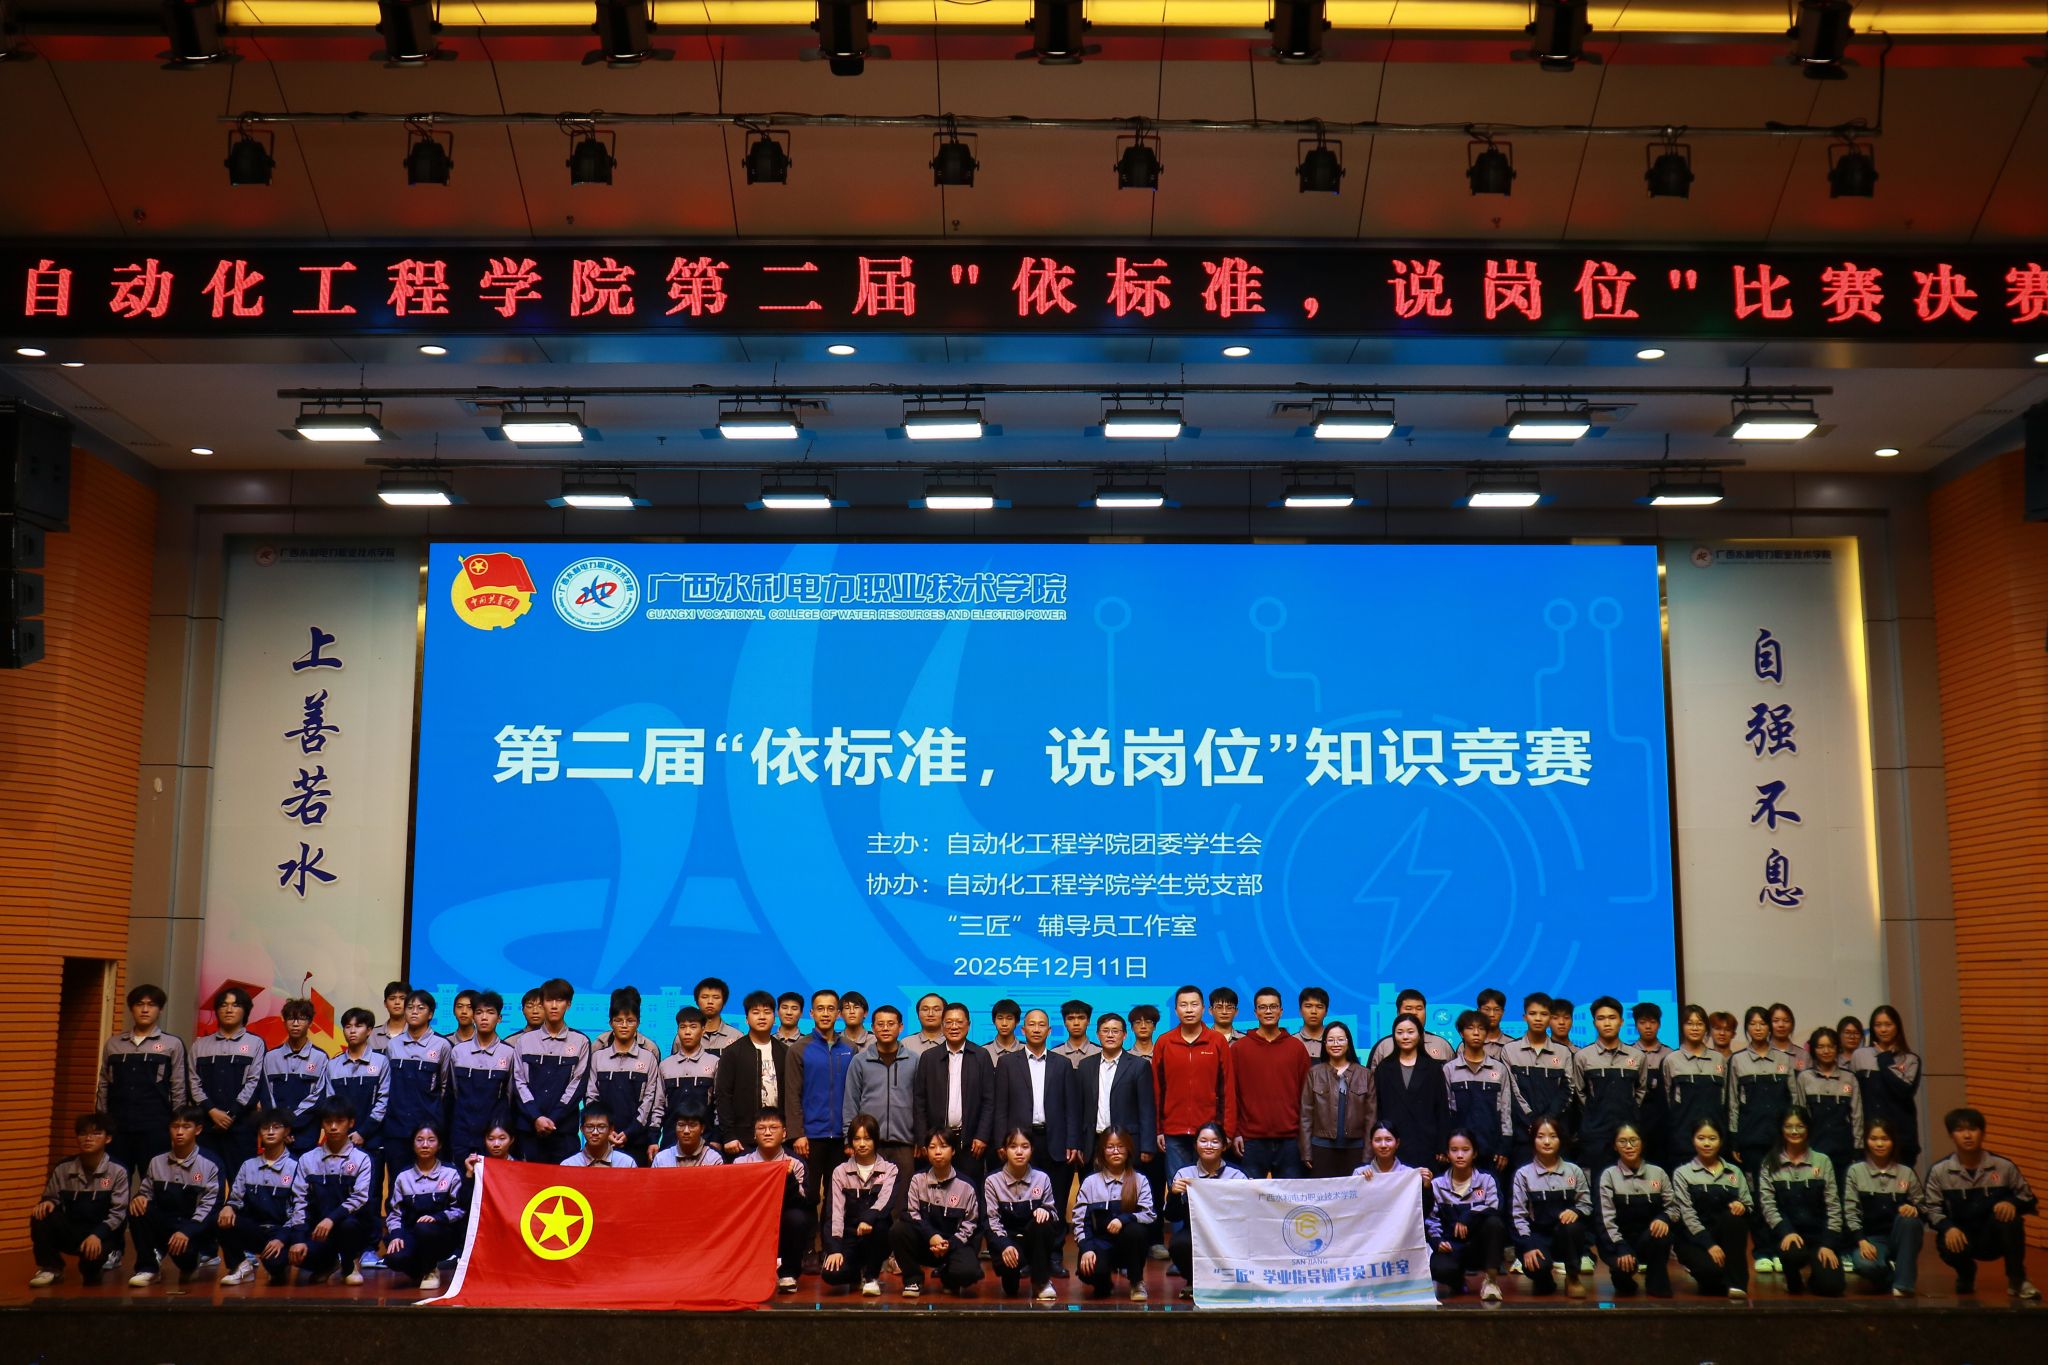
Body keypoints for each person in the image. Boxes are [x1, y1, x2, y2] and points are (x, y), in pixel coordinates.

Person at [992, 1007, 1078, 1269]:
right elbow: (1000, 1107)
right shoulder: (1008, 1063)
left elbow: (1071, 1107)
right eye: (1032, 1024)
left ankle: (1054, 1256)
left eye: (1042, 1025)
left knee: (1056, 1200)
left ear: (1049, 1031)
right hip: (1020, 1143)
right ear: (1023, 1029)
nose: (1037, 1029)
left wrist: (1072, 1141)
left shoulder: (1062, 1064)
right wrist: (1002, 1142)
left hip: (1055, 1142)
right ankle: (1028, 1256)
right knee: (1023, 1201)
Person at [1923, 1106, 2039, 1299]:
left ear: (1983, 1133)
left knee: (2012, 1221)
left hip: (1993, 1236)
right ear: (1951, 1135)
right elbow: (1931, 1209)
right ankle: (1966, 1274)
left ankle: (2018, 1280)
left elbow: (2028, 1198)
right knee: (1946, 1242)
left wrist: (2012, 1203)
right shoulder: (1939, 1171)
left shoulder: (2004, 1166)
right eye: (1960, 1130)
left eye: (1973, 1129)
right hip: (1961, 1235)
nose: (1967, 1135)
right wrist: (1948, 1228)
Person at [1728, 1004, 1798, 1271]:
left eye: (1762, 1023)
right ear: (1747, 1028)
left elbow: (1794, 1100)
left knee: (1781, 1194)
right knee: (1757, 1196)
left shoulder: (1784, 1059)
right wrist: (1734, 1138)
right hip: (1751, 1138)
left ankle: (1782, 1248)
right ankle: (1762, 1252)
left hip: (1781, 1139)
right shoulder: (1738, 1060)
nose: (1758, 1028)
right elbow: (1733, 1103)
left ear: (1769, 1027)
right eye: (1753, 1024)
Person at [98, 983, 190, 1179]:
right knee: (114, 1179)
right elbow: (104, 1084)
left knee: (154, 1180)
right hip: (118, 1126)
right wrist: (103, 1122)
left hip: (156, 1127)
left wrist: (177, 1126)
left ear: (160, 1009)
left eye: (151, 1004)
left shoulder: (172, 1044)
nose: (145, 1009)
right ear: (131, 1008)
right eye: (139, 1004)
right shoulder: (113, 1044)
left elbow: (179, 1087)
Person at [28, 1112, 129, 1289]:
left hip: (102, 1233)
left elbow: (118, 1213)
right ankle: (51, 1267)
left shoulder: (117, 1171)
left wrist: (97, 1235)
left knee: (90, 1274)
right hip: (73, 1230)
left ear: (108, 1139)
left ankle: (96, 1265)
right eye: (83, 1133)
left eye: (96, 1134)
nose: (88, 1138)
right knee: (41, 1214)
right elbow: (51, 1196)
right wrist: (49, 1202)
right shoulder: (63, 1168)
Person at [125, 1105, 222, 1287]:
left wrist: (188, 1231)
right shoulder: (156, 1161)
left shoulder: (210, 1163)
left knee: (185, 1260)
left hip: (192, 1229)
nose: (179, 1132)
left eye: (186, 1127)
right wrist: (140, 1196)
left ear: (198, 1130)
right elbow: (146, 1191)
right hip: (165, 1222)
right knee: (137, 1208)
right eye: (175, 1126)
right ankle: (148, 1268)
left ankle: (193, 1261)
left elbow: (211, 1207)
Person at [1757, 1106, 1846, 1296]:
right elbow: (1768, 1206)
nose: (1794, 1131)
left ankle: (1815, 1278)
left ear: (1808, 1128)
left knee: (1832, 1287)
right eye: (1788, 1126)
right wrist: (1785, 1232)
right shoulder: (1769, 1163)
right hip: (1788, 1235)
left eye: (1800, 1126)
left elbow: (1833, 1207)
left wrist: (1828, 1243)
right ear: (1781, 1129)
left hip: (1818, 1235)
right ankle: (1793, 1281)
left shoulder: (1823, 1161)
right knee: (1792, 1253)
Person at [285, 1099, 376, 1285]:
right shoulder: (307, 1159)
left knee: (348, 1225)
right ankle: (329, 1264)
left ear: (351, 1123)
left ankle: (349, 1265)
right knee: (291, 1253)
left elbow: (360, 1198)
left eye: (340, 1121)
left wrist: (331, 1219)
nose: (333, 1127)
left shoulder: (362, 1159)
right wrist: (298, 1238)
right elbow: (299, 1201)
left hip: (352, 1227)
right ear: (322, 1124)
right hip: (319, 1231)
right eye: (328, 1122)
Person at [1154, 985, 1235, 1183]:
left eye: (1194, 1004)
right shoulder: (1164, 1042)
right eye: (1183, 1005)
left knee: (1209, 1189)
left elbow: (1227, 1088)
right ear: (1176, 1010)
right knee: (1178, 1187)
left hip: (1210, 1131)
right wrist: (1158, 1129)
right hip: (1174, 1131)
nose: (1189, 1010)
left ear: (1204, 1008)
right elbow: (1157, 1090)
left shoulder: (1217, 1041)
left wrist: (1227, 1130)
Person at [913, 1001, 997, 1187]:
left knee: (970, 1190)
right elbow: (919, 1101)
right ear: (942, 1026)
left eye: (959, 1022)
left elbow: (989, 1101)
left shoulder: (981, 1056)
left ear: (968, 1025)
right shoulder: (929, 1057)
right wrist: (923, 1139)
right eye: (949, 1022)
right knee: (936, 1190)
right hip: (937, 1142)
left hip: (970, 1143)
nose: (954, 1026)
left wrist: (982, 1136)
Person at [890, 1127, 982, 1297]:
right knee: (899, 1230)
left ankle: (949, 1276)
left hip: (953, 1246)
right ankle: (913, 1280)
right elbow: (910, 1213)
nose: (938, 1152)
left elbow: (971, 1224)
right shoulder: (917, 1180)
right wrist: (931, 1236)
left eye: (943, 1146)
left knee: (969, 1272)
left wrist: (949, 1244)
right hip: (925, 1243)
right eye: (932, 1147)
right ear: (926, 1151)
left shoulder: (967, 1186)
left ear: (953, 1151)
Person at [384, 990, 454, 1211]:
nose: (414, 1012)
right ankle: (397, 1226)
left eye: (420, 1008)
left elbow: (445, 1086)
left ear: (430, 1014)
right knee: (397, 1179)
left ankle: (429, 1223)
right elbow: (387, 1085)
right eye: (410, 1007)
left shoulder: (442, 1045)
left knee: (430, 1182)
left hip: (428, 1126)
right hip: (397, 1125)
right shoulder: (393, 1045)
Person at [842, 1004, 917, 1210]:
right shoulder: (860, 1061)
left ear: (901, 1027)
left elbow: (920, 1103)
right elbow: (851, 1102)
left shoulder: (914, 1060)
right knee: (869, 1201)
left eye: (891, 1024)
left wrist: (920, 1138)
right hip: (869, 1143)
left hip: (904, 1143)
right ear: (873, 1028)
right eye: (880, 1024)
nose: (885, 1028)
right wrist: (849, 1139)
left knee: (902, 1203)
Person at [713, 990, 804, 1158]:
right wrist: (729, 1135)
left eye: (767, 1012)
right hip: (742, 1139)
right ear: (746, 1019)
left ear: (774, 1018)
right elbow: (723, 1095)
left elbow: (794, 1095)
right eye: (755, 1012)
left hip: (780, 1137)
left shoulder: (785, 1052)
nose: (762, 1017)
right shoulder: (733, 1052)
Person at [1233, 986, 1312, 1178]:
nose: (1268, 1011)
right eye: (1263, 1007)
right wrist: (1235, 1132)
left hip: (1290, 1140)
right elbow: (1232, 1094)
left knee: (1290, 1196)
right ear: (1255, 1012)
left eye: (1273, 1007)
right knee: (1251, 1195)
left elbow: (1307, 1097)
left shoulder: (1296, 1048)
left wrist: (1305, 1137)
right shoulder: (1239, 1048)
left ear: (1281, 1011)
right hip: (1251, 1140)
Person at [1669, 1116, 1752, 1298]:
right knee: (1712, 1274)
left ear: (1720, 1141)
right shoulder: (1683, 1173)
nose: (1707, 1143)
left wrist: (1742, 1206)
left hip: (1726, 1239)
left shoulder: (1734, 1171)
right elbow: (1687, 1215)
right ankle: (1709, 1274)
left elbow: (1749, 1203)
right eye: (1701, 1138)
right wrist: (1709, 1244)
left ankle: (1738, 1285)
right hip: (1694, 1240)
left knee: (1735, 1218)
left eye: (1712, 1138)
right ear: (1693, 1140)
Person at [1510, 1114, 1591, 1298]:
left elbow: (1586, 1204)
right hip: (1537, 1237)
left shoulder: (1574, 1171)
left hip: (1565, 1236)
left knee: (1573, 1227)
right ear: (1533, 1140)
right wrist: (1528, 1245)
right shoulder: (1523, 1174)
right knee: (1538, 1273)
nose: (1547, 1142)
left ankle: (1573, 1277)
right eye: (1541, 1136)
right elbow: (1518, 1215)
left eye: (1553, 1136)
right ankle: (1544, 1279)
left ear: (1560, 1140)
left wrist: (1576, 1211)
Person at [192, 986, 266, 1186]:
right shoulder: (200, 1045)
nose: (229, 1009)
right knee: (205, 1184)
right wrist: (211, 1111)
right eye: (223, 1005)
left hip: (241, 1127)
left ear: (245, 1010)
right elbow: (193, 1082)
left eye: (235, 1005)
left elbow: (254, 1082)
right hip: (207, 1127)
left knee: (241, 1185)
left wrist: (231, 1114)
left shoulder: (256, 1044)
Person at [512, 978, 590, 1164]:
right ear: (542, 1004)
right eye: (549, 1000)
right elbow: (518, 1082)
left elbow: (577, 1086)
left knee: (564, 1181)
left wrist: (553, 1119)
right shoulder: (524, 1041)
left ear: (568, 1004)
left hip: (564, 1132)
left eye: (560, 1000)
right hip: (529, 1130)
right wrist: (536, 1117)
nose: (554, 1006)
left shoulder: (580, 1042)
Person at [1843, 1117, 1924, 1297]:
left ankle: (1903, 1285)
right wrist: (1861, 1240)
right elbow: (1850, 1211)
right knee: (1864, 1264)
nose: (1879, 1144)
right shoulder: (1855, 1171)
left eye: (1885, 1139)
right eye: (1874, 1139)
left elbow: (1923, 1207)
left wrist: (1915, 1209)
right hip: (1872, 1239)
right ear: (1866, 1141)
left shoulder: (1906, 1173)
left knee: (1910, 1221)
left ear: (1893, 1142)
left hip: (1900, 1236)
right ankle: (1892, 1273)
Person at [734, 1109, 813, 1291]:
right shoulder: (741, 1162)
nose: (767, 1133)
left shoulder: (796, 1163)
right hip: (752, 1217)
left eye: (773, 1128)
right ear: (754, 1134)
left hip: (783, 1216)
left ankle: (788, 1274)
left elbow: (803, 1202)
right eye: (761, 1128)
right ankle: (744, 1272)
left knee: (798, 1219)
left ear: (784, 1133)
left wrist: (789, 1178)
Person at [217, 1109, 298, 1286]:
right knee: (222, 1217)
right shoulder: (248, 1165)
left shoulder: (296, 1167)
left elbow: (299, 1212)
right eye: (265, 1128)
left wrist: (281, 1238)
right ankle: (240, 1266)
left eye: (276, 1127)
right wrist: (229, 1206)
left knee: (275, 1267)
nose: (270, 1132)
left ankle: (280, 1265)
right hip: (255, 1229)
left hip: (280, 1232)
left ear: (286, 1131)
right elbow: (235, 1198)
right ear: (259, 1132)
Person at [1164, 1121, 1245, 1295]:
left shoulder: (1237, 1175)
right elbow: (1172, 1215)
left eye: (1215, 1141)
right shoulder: (1184, 1174)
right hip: (1195, 1231)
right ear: (1195, 1145)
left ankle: (1231, 1282)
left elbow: (1246, 1212)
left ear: (1224, 1146)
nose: (1209, 1146)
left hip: (1229, 1232)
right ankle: (1193, 1281)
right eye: (1203, 1141)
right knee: (1179, 1244)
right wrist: (1174, 1195)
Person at [1074, 1126, 1155, 1300]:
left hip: (1128, 1247)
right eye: (1110, 1147)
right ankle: (1104, 1283)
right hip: (1100, 1245)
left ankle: (1136, 1282)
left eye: (1120, 1146)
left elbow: (1149, 1215)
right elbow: (1080, 1221)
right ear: (1102, 1151)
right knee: (1091, 1273)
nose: (1116, 1151)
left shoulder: (1140, 1180)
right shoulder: (1090, 1182)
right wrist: (1086, 1248)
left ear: (1128, 1149)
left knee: (1137, 1231)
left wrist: (1124, 1219)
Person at [1594, 1121, 1674, 1298]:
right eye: (1622, 1141)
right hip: (1618, 1242)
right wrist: (1620, 1247)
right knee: (1624, 1283)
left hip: (1647, 1238)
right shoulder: (1608, 1175)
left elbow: (1673, 1207)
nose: (1629, 1146)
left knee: (1663, 1232)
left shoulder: (1658, 1173)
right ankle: (1621, 1276)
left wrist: (1664, 1218)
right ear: (1615, 1146)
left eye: (1634, 1140)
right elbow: (1605, 1219)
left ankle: (1656, 1283)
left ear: (1642, 1142)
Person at [381, 1124, 465, 1291]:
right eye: (419, 1140)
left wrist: (437, 1218)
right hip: (413, 1233)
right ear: (413, 1144)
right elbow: (394, 1213)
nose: (425, 1145)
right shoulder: (403, 1176)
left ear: (439, 1145)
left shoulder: (451, 1173)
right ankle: (421, 1270)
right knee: (394, 1258)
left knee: (424, 1228)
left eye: (431, 1140)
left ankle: (431, 1270)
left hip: (443, 1234)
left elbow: (460, 1209)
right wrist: (396, 1234)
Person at [1500, 993, 1576, 1173]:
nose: (1538, 1018)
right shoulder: (1509, 1050)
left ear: (1550, 1018)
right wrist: (1533, 1122)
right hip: (1523, 1135)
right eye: (1533, 1014)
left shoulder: (1563, 1052)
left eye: (1544, 1014)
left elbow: (1568, 1089)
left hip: (1556, 1134)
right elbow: (1511, 1092)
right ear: (1524, 1017)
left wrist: (1548, 1121)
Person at [821, 1113, 894, 1295]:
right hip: (850, 1235)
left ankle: (871, 1277)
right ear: (851, 1142)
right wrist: (834, 1248)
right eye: (857, 1139)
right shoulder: (840, 1172)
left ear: (875, 1140)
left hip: (875, 1233)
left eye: (867, 1139)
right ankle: (855, 1273)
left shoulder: (890, 1170)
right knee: (831, 1274)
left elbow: (885, 1202)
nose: (862, 1144)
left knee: (883, 1226)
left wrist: (868, 1219)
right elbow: (835, 1212)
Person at [323, 1007, 391, 1204]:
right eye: (347, 1026)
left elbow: (383, 1101)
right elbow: (331, 1104)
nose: (352, 1031)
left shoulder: (381, 1062)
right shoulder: (333, 1065)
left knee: (371, 1193)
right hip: (340, 1140)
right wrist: (343, 1133)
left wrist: (363, 1132)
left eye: (358, 1026)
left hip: (372, 1139)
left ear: (369, 1030)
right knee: (340, 1192)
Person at [1572, 997, 1646, 1176]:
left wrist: (1629, 1108)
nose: (1607, 1023)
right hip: (1595, 1132)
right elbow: (1579, 1092)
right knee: (1597, 1181)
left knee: (1628, 1180)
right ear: (1594, 1023)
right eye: (1601, 1018)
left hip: (1628, 1131)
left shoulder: (1637, 1056)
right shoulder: (1582, 1057)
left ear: (1621, 1021)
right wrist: (1595, 1111)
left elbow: (1641, 1090)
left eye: (1612, 1018)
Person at [1429, 1130, 1506, 1301]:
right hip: (1453, 1246)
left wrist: (1468, 1217)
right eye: (1454, 1150)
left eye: (1465, 1150)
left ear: (1475, 1153)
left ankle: (1491, 1281)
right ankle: (1457, 1281)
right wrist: (1437, 1240)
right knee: (1439, 1269)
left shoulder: (1487, 1180)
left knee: (1495, 1223)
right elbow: (1431, 1219)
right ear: (1447, 1154)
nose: (1460, 1155)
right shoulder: (1437, 1185)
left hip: (1480, 1246)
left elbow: (1495, 1206)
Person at [984, 1128, 1060, 1300]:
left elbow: (1054, 1215)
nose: (1019, 1152)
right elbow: (991, 1221)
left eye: (1025, 1146)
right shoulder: (992, 1181)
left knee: (1043, 1223)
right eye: (1013, 1146)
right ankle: (1011, 1275)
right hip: (1008, 1243)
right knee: (1011, 1290)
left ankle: (1041, 1281)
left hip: (1033, 1241)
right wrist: (1005, 1245)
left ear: (1032, 1149)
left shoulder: (1042, 1178)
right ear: (1004, 1151)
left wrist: (1046, 1210)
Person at [1075, 1013, 1157, 1171]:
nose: (1110, 1035)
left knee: (1127, 1186)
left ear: (1124, 1035)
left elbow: (1146, 1109)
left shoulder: (1139, 1066)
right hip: (1092, 1142)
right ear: (1097, 1034)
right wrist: (1077, 1143)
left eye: (1115, 1031)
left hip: (1126, 1143)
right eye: (1105, 1031)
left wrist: (1147, 1146)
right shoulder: (1085, 1066)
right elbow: (1078, 1109)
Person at [587, 989, 659, 1164]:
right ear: (611, 1023)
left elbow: (649, 1100)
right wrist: (605, 1130)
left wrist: (630, 1132)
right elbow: (591, 1096)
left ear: (638, 1022)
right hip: (602, 1140)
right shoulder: (597, 1056)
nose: (624, 1025)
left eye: (630, 1021)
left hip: (637, 1141)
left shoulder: (649, 1057)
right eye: (618, 1020)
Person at [801, 989, 856, 1215]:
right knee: (809, 1193)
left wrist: (852, 1135)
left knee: (838, 1195)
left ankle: (830, 1236)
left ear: (839, 1014)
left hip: (841, 1137)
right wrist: (798, 1134)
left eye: (831, 1009)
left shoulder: (851, 1049)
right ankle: (807, 1237)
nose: (825, 1014)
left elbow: (856, 1094)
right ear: (812, 1013)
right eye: (820, 1009)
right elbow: (792, 1094)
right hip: (810, 1136)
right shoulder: (799, 1048)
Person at [1444, 1010, 1518, 1176]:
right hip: (1459, 1150)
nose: (1476, 1033)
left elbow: (1505, 1110)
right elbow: (1445, 1112)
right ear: (1461, 1033)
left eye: (1481, 1028)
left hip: (1492, 1149)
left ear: (1487, 1033)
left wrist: (1504, 1147)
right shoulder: (1449, 1069)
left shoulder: (1499, 1069)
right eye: (1470, 1028)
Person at [1849, 1006, 1922, 1172]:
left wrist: (1884, 1058)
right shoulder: (1860, 1055)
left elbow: (1904, 1091)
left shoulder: (1910, 1059)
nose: (1883, 1029)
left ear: (1897, 1026)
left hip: (1902, 1138)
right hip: (1870, 1137)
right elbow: (1854, 1098)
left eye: (1888, 1024)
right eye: (1878, 1025)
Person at [1371, 1016, 1448, 1171]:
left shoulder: (1433, 1068)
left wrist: (1442, 1145)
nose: (1405, 1037)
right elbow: (1377, 1108)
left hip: (1425, 1142)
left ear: (1420, 1035)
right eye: (1400, 1032)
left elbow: (1442, 1109)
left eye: (1410, 1032)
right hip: (1392, 1144)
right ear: (1394, 1036)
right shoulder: (1384, 1068)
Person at [1299, 1020, 1373, 1177]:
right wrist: (1306, 1151)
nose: (1336, 1044)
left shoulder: (1365, 1074)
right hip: (1321, 1148)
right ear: (1325, 1044)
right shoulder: (1314, 1073)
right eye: (1331, 1040)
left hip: (1355, 1149)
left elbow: (1371, 1118)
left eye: (1340, 1039)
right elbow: (1306, 1115)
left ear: (1348, 1042)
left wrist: (1368, 1156)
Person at [449, 991, 514, 1164]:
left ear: (499, 1018)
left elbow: (510, 1095)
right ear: (473, 1017)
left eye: (490, 1012)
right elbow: (454, 1091)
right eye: (479, 1012)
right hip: (462, 1131)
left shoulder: (509, 1053)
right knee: (462, 1177)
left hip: (493, 1136)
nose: (484, 1017)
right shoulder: (458, 1051)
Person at [1794, 1026, 1863, 1187]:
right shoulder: (1805, 1078)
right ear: (1813, 1050)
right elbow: (1800, 1116)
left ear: (1837, 1048)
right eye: (1820, 1047)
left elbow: (1857, 1116)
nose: (1826, 1051)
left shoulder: (1849, 1078)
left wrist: (1858, 1148)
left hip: (1843, 1148)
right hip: (1814, 1147)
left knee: (1843, 1191)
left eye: (1830, 1046)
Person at [1661, 1004, 1729, 1166]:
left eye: (1699, 1024)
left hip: (1714, 1140)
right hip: (1682, 1140)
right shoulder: (1671, 1060)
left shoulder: (1719, 1059)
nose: (1695, 1028)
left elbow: (1724, 1099)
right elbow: (1667, 1101)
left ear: (1706, 1028)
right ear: (1682, 1027)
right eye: (1689, 1023)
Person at [261, 997, 329, 1153]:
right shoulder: (271, 1057)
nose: (296, 1023)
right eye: (291, 1018)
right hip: (275, 1135)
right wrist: (279, 1126)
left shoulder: (320, 1058)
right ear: (284, 1022)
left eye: (302, 1019)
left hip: (306, 1135)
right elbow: (266, 1095)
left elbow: (318, 1098)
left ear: (310, 1023)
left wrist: (289, 1124)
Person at [656, 1005, 721, 1155]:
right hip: (670, 1142)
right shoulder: (665, 1065)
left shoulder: (714, 1063)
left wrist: (717, 1137)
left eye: (693, 1027)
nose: (687, 1032)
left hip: (706, 1141)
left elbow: (719, 1105)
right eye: (682, 1027)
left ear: (703, 1030)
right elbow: (658, 1106)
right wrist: (654, 1139)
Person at [1367, 989, 1456, 1066]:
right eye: (1408, 1008)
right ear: (1398, 1013)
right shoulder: (1383, 1046)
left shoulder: (1441, 1044)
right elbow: (1370, 1078)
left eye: (1419, 1008)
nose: (1414, 1013)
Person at [1631, 1003, 1672, 1166]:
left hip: (1662, 1121)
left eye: (1652, 1022)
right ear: (1636, 1025)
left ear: (1659, 1024)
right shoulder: (1628, 1054)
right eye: (1642, 1022)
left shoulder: (1670, 1055)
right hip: (1636, 1118)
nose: (1648, 1027)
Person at [561, 1103, 637, 1167]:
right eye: (589, 1127)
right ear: (582, 1129)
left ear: (611, 1129)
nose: (595, 1132)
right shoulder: (569, 1165)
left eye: (601, 1127)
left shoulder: (626, 1164)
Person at [650, 1106, 725, 1168]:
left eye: (692, 1125)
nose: (686, 1131)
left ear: (702, 1128)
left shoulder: (714, 1158)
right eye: (681, 1125)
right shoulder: (661, 1159)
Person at [693, 977, 739, 1057]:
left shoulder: (736, 1036)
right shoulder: (684, 1036)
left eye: (716, 997)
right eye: (705, 997)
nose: (710, 1002)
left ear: (724, 1002)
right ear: (696, 1001)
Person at [1053, 999, 1100, 1067]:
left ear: (1088, 1021)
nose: (1076, 1023)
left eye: (1081, 1018)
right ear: (1064, 1022)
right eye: (1071, 1018)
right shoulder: (1054, 1054)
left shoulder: (1100, 1052)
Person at [1768, 1003, 1810, 1070]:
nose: (1781, 1025)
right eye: (1775, 1021)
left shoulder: (1803, 1055)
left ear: (1792, 1024)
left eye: (1786, 1021)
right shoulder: (1762, 1053)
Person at [905, 993, 947, 1058]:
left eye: (936, 1009)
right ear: (918, 1014)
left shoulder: (953, 1042)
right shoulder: (906, 1043)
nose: (930, 1014)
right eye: (925, 1009)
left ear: (946, 1014)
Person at [372, 981, 410, 1054]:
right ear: (385, 1003)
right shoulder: (371, 1035)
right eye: (392, 998)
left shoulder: (416, 1034)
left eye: (402, 998)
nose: (397, 1002)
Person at [1295, 987, 1330, 1060]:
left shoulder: (1334, 1043)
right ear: (1300, 1011)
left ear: (1326, 1012)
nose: (1313, 1011)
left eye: (1319, 1007)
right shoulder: (1291, 1042)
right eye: (1308, 1006)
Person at [1477, 988, 1512, 1055]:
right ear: (1479, 1011)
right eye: (1487, 1009)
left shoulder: (1513, 1045)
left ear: (1502, 1012)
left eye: (1496, 1009)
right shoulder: (1467, 1045)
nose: (1492, 1014)